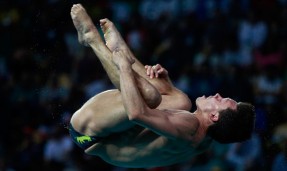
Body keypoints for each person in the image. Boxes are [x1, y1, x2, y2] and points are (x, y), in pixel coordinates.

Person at [69, 4, 256, 168]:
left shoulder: (190, 126)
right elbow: (163, 132)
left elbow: (136, 113)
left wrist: (125, 68)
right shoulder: (205, 140)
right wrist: (167, 85)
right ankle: (121, 49)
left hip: (90, 133)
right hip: (103, 139)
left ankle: (91, 38)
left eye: (221, 100)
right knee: (179, 100)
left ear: (214, 116)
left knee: (151, 96)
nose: (217, 95)